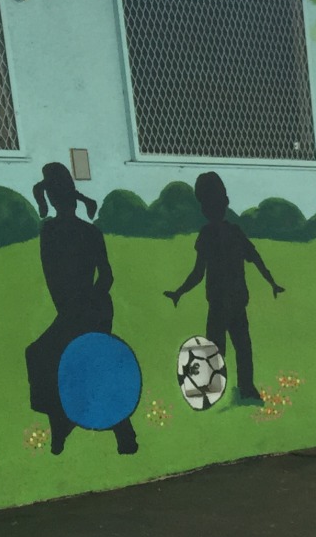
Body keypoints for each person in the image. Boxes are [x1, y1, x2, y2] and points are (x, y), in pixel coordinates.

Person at [25, 162, 136, 456]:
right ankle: (85, 426)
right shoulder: (84, 231)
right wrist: (82, 305)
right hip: (86, 310)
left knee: (54, 359)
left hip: (85, 312)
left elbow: (98, 276)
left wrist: (82, 305)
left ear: (52, 198)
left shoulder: (52, 231)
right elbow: (105, 277)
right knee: (76, 363)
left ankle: (68, 425)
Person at [164, 171, 283, 402]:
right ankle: (245, 388)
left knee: (220, 350)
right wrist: (272, 282)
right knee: (240, 348)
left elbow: (198, 273)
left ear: (203, 209)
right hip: (233, 303)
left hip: (221, 304)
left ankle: (220, 389)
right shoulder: (232, 233)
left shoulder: (209, 234)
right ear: (226, 203)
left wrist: (179, 292)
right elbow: (256, 258)